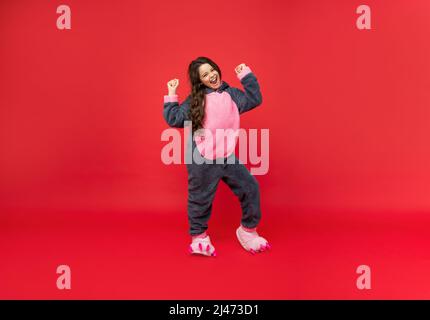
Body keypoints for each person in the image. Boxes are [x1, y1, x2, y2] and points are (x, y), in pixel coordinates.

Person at [163, 56, 271, 256]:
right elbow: (174, 118)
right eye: (205, 75)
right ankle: (199, 238)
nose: (211, 75)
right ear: (200, 81)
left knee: (250, 188)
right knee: (200, 198)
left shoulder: (231, 94)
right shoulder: (197, 100)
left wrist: (245, 75)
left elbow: (255, 99)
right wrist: (171, 94)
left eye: (212, 70)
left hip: (226, 156)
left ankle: (248, 231)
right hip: (201, 158)